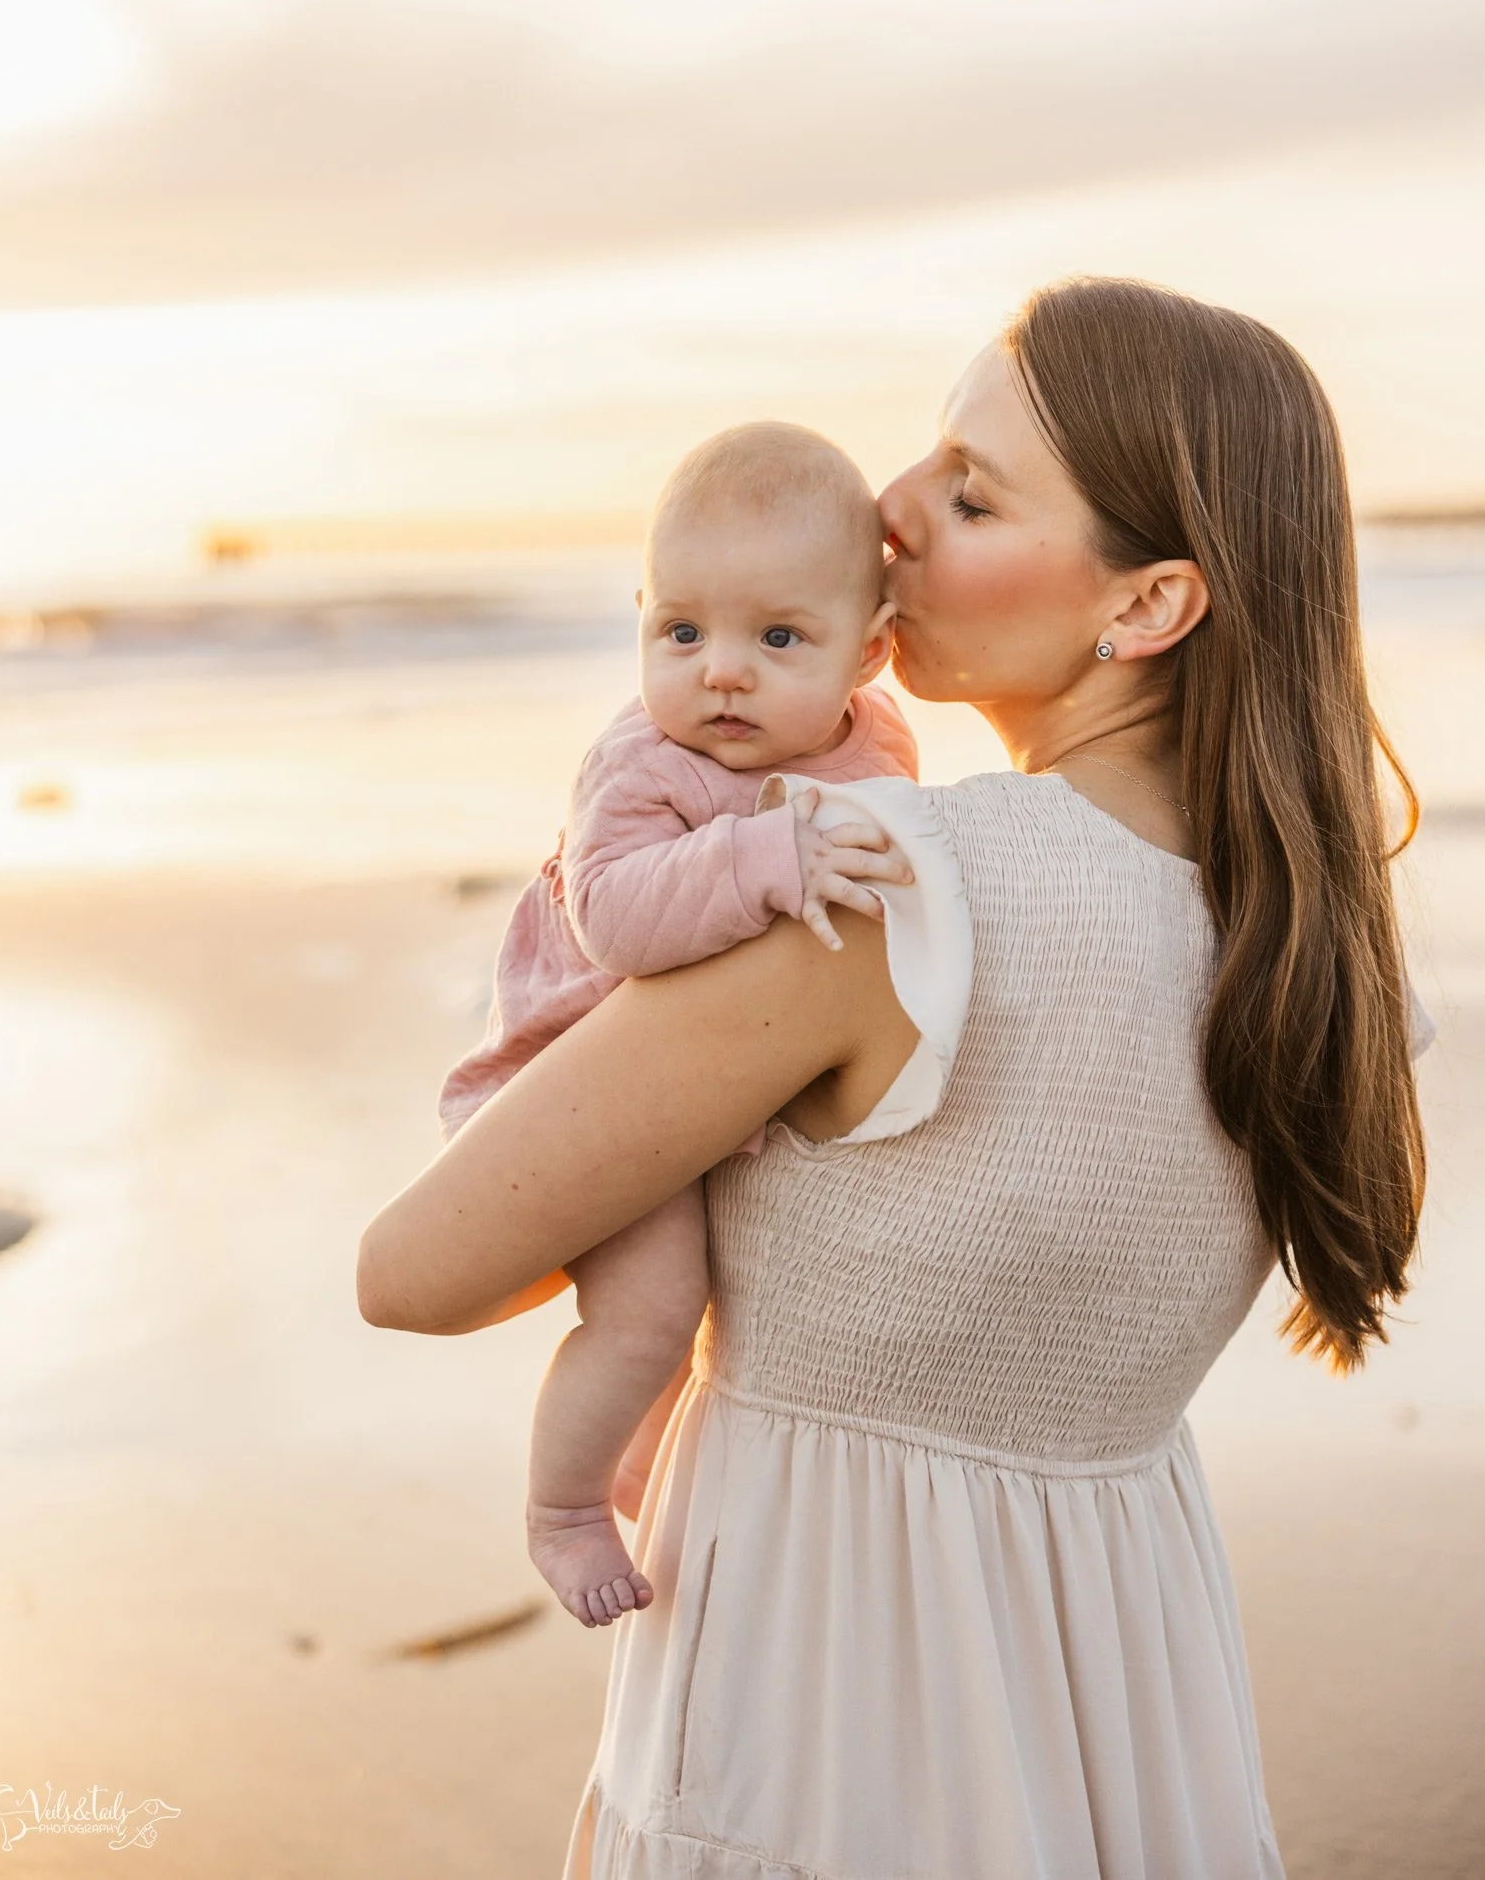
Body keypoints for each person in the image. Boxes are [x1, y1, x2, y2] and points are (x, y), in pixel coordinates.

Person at [359, 275, 1431, 1880]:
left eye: (972, 490)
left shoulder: (882, 888)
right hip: (1122, 1708)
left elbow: (415, 1270)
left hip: (828, 1723)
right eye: (927, 462)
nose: (892, 512)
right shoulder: (1335, 958)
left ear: (1144, 608)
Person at [435, 421, 918, 1630]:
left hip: (719, 1087)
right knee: (649, 1308)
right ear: (642, 618)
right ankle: (564, 1506)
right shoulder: (645, 764)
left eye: (779, 637)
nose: (723, 671)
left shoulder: (883, 749)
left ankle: (657, 1474)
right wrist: (766, 855)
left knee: (724, 1314)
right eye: (683, 631)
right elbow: (618, 923)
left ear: (871, 652)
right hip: (589, 1083)